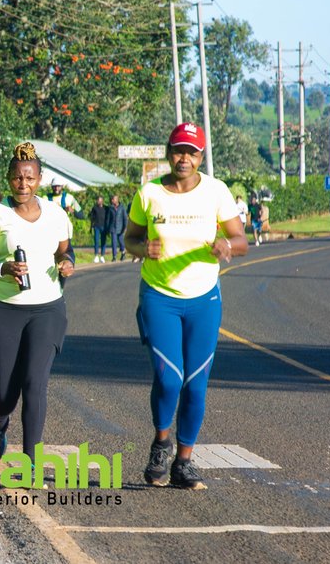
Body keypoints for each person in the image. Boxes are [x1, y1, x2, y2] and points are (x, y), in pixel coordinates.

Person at [124, 122, 248, 491]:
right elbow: (129, 238)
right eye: (179, 150)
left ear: (201, 156)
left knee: (196, 385)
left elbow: (240, 238)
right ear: (168, 152)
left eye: (192, 152)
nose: (184, 158)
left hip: (204, 300)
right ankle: (161, 443)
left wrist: (227, 246)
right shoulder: (149, 194)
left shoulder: (216, 191)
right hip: (159, 296)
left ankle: (184, 461)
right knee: (168, 378)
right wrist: (141, 248)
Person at [0, 142, 74, 468]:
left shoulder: (56, 213)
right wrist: (2, 268)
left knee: (35, 384)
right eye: (16, 178)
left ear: (39, 179)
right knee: (4, 392)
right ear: (9, 179)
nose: (22, 184)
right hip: (4, 310)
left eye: (29, 178)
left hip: (47, 309)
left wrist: (67, 262)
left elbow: (64, 251)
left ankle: (32, 462)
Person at [106, 194, 128, 262]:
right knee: (114, 243)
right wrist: (107, 228)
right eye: (112, 199)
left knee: (121, 242)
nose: (112, 200)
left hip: (120, 228)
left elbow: (125, 218)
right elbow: (108, 219)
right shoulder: (110, 208)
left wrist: (125, 227)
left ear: (117, 200)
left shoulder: (122, 207)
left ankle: (123, 253)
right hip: (113, 228)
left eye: (114, 199)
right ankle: (114, 256)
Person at [89, 196, 109, 263]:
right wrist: (91, 226)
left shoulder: (106, 208)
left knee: (103, 242)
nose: (99, 201)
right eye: (98, 200)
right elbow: (92, 217)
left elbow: (108, 217)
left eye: (100, 200)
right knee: (96, 241)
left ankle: (102, 256)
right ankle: (96, 256)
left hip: (104, 227)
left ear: (102, 201)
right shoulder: (94, 208)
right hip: (96, 226)